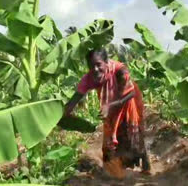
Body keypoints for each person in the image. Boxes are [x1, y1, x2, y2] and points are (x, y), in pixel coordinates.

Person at [63, 48, 150, 177]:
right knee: (109, 145)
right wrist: (64, 114)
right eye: (91, 66)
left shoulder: (120, 71)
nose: (95, 69)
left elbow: (130, 93)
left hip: (128, 99)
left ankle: (145, 160)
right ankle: (116, 169)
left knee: (133, 135)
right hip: (109, 105)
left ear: (106, 62)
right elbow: (75, 98)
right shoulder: (89, 78)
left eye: (98, 65)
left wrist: (110, 106)